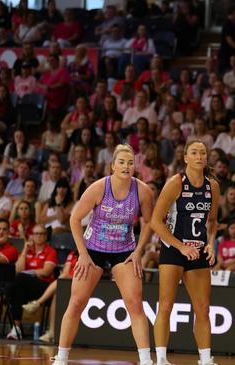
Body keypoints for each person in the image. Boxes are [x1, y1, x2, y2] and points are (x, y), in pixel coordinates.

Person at [52, 145, 154, 365]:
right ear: (113, 165)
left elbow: (149, 223)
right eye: (122, 162)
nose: (126, 167)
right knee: (77, 302)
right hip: (93, 249)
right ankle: (60, 358)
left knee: (135, 303)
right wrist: (82, 254)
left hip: (124, 251)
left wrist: (138, 252)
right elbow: (74, 219)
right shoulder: (99, 188)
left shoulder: (143, 190)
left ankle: (146, 360)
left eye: (130, 163)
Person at [149, 140, 220, 365]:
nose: (199, 156)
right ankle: (161, 358)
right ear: (185, 158)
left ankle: (205, 359)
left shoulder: (213, 186)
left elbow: (213, 221)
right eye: (194, 153)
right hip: (174, 249)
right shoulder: (175, 182)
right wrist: (181, 246)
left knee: (203, 308)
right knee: (166, 304)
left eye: (203, 152)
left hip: (198, 250)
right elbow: (155, 222)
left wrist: (210, 244)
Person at [4, 224, 57, 340]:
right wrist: (25, 249)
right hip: (27, 287)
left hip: (44, 288)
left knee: (20, 278)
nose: (39, 236)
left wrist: (29, 272)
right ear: (31, 236)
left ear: (46, 236)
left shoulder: (50, 251)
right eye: (36, 234)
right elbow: (18, 269)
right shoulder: (28, 251)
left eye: (42, 234)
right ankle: (16, 328)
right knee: (18, 289)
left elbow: (46, 272)